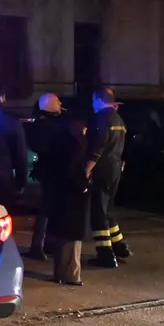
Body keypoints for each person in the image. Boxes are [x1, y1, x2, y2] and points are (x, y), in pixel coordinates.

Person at [86, 86, 128, 268]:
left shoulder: (102, 118)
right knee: (108, 208)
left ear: (98, 99)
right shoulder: (118, 118)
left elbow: (98, 146)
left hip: (102, 169)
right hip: (116, 168)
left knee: (98, 212)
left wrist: (88, 168)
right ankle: (119, 246)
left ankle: (106, 255)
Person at [46, 118, 89, 286]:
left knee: (63, 237)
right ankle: (72, 275)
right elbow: (74, 171)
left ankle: (61, 273)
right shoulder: (76, 147)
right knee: (73, 239)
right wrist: (83, 186)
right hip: (73, 198)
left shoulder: (58, 145)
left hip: (60, 196)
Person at [26, 93, 67, 260]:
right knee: (46, 209)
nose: (60, 103)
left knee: (50, 209)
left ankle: (45, 244)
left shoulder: (45, 122)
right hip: (50, 171)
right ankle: (39, 246)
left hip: (50, 170)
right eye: (57, 101)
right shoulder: (45, 124)